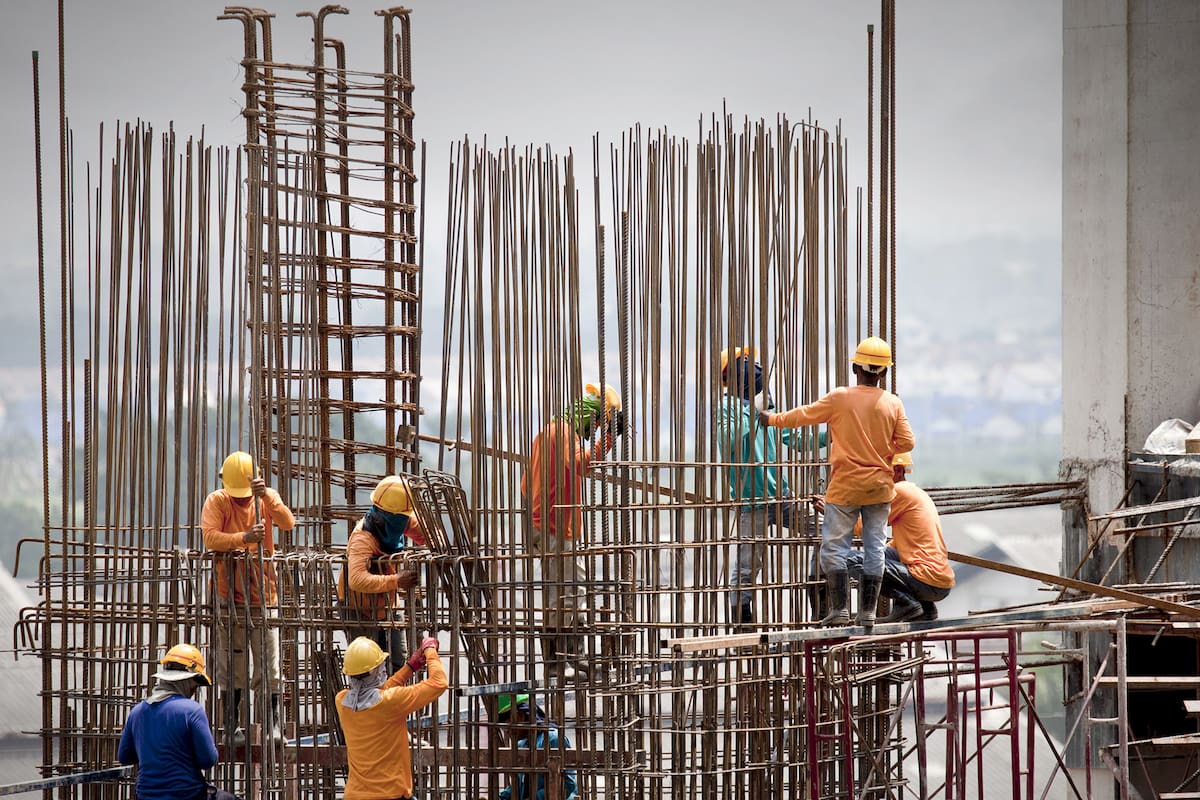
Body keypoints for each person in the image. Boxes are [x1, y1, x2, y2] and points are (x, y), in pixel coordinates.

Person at [761, 336, 914, 629]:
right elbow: (908, 441)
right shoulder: (893, 403)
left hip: (845, 487)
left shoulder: (840, 398)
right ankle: (868, 612)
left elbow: (804, 415)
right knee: (875, 547)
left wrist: (772, 420)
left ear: (856, 367)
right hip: (880, 487)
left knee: (833, 548)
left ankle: (840, 609)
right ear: (883, 372)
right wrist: (882, 452)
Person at [521, 382, 624, 679]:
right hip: (556, 524)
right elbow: (582, 465)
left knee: (555, 593)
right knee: (572, 591)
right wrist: (608, 439)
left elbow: (527, 483)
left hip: (542, 522)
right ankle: (572, 657)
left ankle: (555, 663)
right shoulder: (565, 433)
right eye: (596, 424)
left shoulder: (547, 432)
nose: (592, 431)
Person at [716, 346, 823, 630]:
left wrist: (833, 432)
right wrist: (755, 411)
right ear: (730, 376)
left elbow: (796, 439)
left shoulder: (765, 405)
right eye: (745, 363)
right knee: (747, 567)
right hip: (752, 501)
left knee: (827, 534)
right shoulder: (725, 409)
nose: (754, 367)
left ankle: (820, 597)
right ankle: (743, 625)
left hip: (782, 497)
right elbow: (729, 441)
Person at [201, 450, 296, 746]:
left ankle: (273, 726)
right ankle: (232, 727)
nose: (243, 499)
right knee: (232, 665)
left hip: (263, 595)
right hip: (228, 596)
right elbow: (210, 537)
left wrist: (266, 495)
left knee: (269, 665)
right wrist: (243, 538)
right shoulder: (217, 501)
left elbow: (287, 522)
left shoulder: (265, 499)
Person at [842, 453, 954, 622]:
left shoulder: (900, 492)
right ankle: (925, 609)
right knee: (878, 554)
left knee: (849, 559)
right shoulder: (916, 492)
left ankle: (908, 603)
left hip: (927, 579)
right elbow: (898, 546)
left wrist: (835, 513)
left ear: (898, 470)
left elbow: (865, 527)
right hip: (936, 580)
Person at [336, 635, 448, 800]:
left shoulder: (342, 701)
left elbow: (376, 692)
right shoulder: (391, 702)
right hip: (390, 795)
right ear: (377, 671)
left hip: (354, 795)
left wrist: (410, 667)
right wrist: (430, 650)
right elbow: (439, 682)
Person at [338, 475, 426, 672]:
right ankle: (370, 702)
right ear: (386, 515)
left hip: (388, 605)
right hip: (359, 609)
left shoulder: (400, 519)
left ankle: (394, 700)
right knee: (368, 668)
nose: (403, 523)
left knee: (398, 662)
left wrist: (437, 543)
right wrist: (396, 580)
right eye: (400, 519)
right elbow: (356, 580)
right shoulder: (363, 537)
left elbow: (429, 533)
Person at [117, 644, 221, 800]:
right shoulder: (192, 710)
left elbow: (124, 757)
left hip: (146, 795)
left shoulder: (137, 711)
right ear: (187, 681)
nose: (194, 691)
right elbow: (208, 760)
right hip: (187, 794)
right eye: (195, 685)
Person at [495, 693, 579, 800]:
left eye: (506, 725)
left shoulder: (552, 739)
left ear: (520, 716)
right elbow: (520, 786)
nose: (506, 731)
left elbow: (566, 785)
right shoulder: (522, 744)